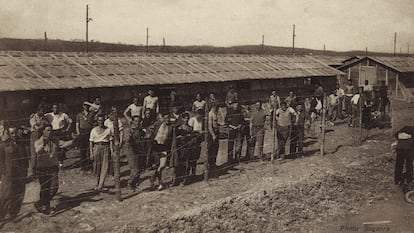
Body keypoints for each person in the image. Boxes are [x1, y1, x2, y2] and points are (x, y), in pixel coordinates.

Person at [32, 124, 74, 215]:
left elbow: (64, 144)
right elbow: (37, 150)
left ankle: (40, 203)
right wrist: (44, 142)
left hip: (53, 168)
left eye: (50, 130)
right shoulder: (38, 141)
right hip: (42, 168)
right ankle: (46, 207)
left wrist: (74, 140)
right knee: (45, 188)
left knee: (54, 187)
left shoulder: (55, 140)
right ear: (43, 131)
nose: (49, 132)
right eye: (47, 130)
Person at [0, 126, 28, 220]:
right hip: (9, 175)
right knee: (6, 195)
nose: (14, 135)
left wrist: (25, 170)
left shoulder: (21, 144)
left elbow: (25, 158)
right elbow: (1, 161)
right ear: (8, 134)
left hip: (20, 174)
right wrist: (4, 172)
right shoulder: (3, 145)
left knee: (19, 194)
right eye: (12, 133)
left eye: (15, 132)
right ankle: (1, 214)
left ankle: (13, 213)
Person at [45, 103, 72, 168]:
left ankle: (61, 164)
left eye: (57, 108)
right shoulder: (48, 115)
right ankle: (53, 163)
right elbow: (40, 116)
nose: (55, 109)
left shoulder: (63, 115)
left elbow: (70, 121)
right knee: (53, 148)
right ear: (52, 109)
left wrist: (66, 130)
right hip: (52, 132)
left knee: (61, 148)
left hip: (60, 132)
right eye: (54, 108)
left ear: (59, 108)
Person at [89, 115, 112, 191]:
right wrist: (91, 153)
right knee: (96, 167)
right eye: (99, 120)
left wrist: (111, 151)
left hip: (105, 148)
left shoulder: (108, 130)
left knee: (104, 166)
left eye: (102, 120)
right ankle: (97, 183)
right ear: (97, 121)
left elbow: (110, 141)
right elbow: (91, 142)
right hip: (96, 148)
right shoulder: (93, 130)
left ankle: (101, 185)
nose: (100, 122)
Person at [150, 113, 173, 191]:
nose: (167, 119)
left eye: (168, 118)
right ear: (162, 118)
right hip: (155, 147)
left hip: (163, 147)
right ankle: (160, 183)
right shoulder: (157, 124)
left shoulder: (170, 127)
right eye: (165, 117)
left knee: (162, 165)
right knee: (158, 165)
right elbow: (150, 130)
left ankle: (153, 178)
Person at [123, 115, 144, 190]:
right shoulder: (128, 129)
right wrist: (129, 138)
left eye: (138, 121)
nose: (137, 123)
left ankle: (134, 184)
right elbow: (126, 140)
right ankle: (130, 183)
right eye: (136, 121)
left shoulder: (140, 130)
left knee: (140, 168)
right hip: (131, 150)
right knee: (135, 169)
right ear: (132, 121)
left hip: (139, 150)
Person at [76, 102, 95, 171]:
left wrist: (90, 104)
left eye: (87, 106)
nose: (86, 107)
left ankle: (90, 165)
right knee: (82, 150)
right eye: (84, 105)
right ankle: (83, 167)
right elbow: (77, 125)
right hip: (82, 132)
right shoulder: (79, 114)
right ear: (82, 106)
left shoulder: (92, 113)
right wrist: (78, 133)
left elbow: (98, 108)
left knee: (90, 150)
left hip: (90, 132)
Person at [188, 110, 203, 179]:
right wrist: (197, 132)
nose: (200, 117)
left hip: (198, 141)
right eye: (199, 115)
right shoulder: (192, 120)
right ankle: (187, 174)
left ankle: (193, 174)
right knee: (189, 158)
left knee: (195, 158)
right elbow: (189, 130)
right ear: (196, 114)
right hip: (192, 141)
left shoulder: (201, 121)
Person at [207, 104, 219, 171]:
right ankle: (210, 164)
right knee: (211, 149)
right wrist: (213, 135)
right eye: (215, 107)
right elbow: (210, 126)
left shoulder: (215, 113)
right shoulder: (210, 114)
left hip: (216, 131)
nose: (216, 108)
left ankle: (213, 163)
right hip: (212, 133)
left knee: (216, 148)